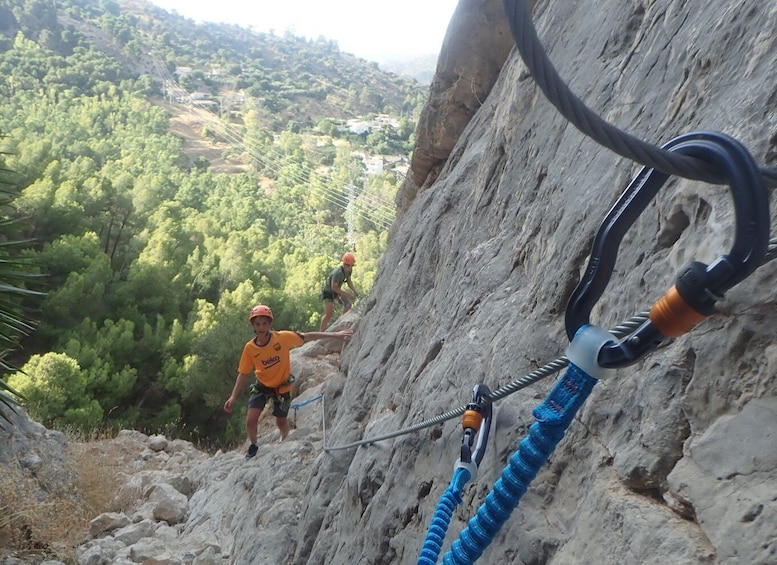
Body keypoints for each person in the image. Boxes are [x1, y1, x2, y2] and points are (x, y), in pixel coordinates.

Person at [224, 304, 353, 459]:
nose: (261, 327)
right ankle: (253, 445)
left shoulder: (282, 338)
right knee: (251, 420)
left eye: (264, 323)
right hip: (262, 386)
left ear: (270, 324)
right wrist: (233, 396)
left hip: (282, 387)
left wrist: (336, 335)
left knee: (280, 421)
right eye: (257, 324)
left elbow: (307, 336)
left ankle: (284, 438)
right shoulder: (250, 348)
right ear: (253, 326)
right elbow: (243, 373)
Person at [320, 252, 358, 331]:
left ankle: (341, 323)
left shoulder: (348, 271)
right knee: (329, 314)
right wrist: (347, 295)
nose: (350, 267)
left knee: (347, 305)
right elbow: (333, 287)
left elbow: (348, 281)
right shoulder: (338, 273)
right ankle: (321, 333)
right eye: (349, 265)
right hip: (328, 292)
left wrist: (354, 291)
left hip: (335, 291)